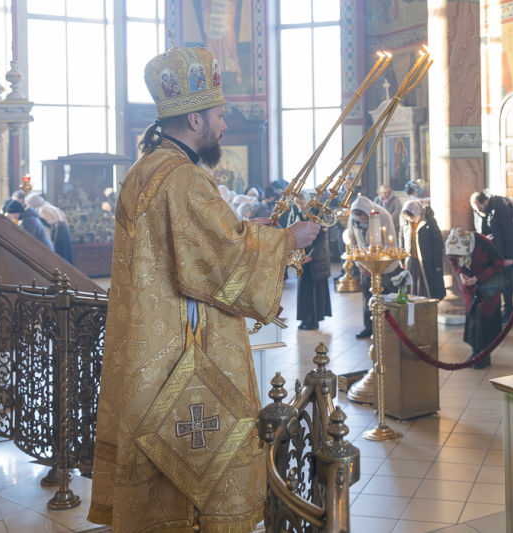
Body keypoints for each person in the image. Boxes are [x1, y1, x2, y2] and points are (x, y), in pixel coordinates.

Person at [88, 43, 321, 533]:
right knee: (198, 475)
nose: (222, 125)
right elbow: (221, 265)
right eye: (218, 115)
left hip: (147, 356)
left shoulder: (143, 171)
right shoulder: (185, 179)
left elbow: (197, 245)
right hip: (187, 355)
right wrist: (286, 241)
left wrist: (246, 230)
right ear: (194, 120)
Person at [445, 228, 507, 370]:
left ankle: (484, 355)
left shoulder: (482, 243)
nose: (460, 259)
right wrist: (461, 274)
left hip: (490, 282)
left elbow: (499, 264)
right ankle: (475, 351)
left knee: (484, 318)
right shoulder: (452, 245)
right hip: (470, 286)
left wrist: (479, 278)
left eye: (461, 256)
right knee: (473, 317)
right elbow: (455, 262)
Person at [346, 196, 401, 339]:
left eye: (364, 219)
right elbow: (352, 241)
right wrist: (360, 265)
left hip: (386, 266)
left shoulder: (383, 216)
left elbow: (390, 243)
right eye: (359, 220)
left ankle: (392, 330)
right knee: (368, 298)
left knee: (388, 298)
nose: (362, 222)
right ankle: (369, 328)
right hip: (366, 266)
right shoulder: (353, 217)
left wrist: (380, 266)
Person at [470, 192, 513, 320]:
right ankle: (494, 312)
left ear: (485, 201)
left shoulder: (500, 210)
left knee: (506, 283)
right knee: (494, 283)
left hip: (503, 255)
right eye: (474, 207)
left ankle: (509, 311)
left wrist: (509, 258)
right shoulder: (486, 211)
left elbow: (510, 235)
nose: (477, 209)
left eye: (478, 205)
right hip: (492, 254)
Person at [290, 193, 332, 330]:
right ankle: (304, 318)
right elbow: (290, 231)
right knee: (303, 289)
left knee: (314, 290)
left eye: (301, 203)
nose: (300, 206)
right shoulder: (295, 211)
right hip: (302, 256)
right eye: (297, 204)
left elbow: (322, 236)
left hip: (315, 258)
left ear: (307, 202)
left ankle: (313, 320)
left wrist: (311, 255)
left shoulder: (317, 213)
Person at [399, 200, 446, 300]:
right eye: (407, 217)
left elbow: (437, 242)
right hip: (410, 259)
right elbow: (401, 240)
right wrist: (401, 259)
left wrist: (437, 262)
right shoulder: (405, 222)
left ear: (417, 212)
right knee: (411, 284)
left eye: (411, 216)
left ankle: (425, 305)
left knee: (426, 285)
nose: (410, 219)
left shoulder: (428, 221)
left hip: (426, 260)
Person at [25, 193, 74, 265]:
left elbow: (47, 229)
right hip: (65, 236)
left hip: (57, 237)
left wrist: (49, 245)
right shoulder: (53, 207)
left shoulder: (43, 210)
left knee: (59, 263)